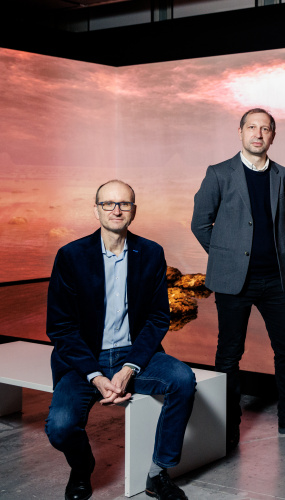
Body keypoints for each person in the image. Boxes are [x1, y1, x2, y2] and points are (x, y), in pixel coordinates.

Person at [46, 180, 196, 500]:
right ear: (96, 210)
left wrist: (129, 368)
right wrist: (96, 376)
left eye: (124, 204)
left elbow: (158, 318)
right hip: (83, 359)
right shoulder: (71, 256)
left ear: (134, 211)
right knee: (59, 427)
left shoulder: (151, 253)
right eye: (108, 204)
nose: (116, 210)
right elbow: (60, 328)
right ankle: (82, 466)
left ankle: (158, 474)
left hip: (132, 353)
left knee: (183, 378)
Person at [191, 108, 285, 451]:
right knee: (229, 353)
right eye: (252, 127)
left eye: (266, 129)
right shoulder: (219, 173)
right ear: (240, 132)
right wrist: (228, 257)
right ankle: (226, 423)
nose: (259, 133)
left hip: (276, 279)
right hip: (234, 282)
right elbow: (200, 223)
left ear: (273, 136)